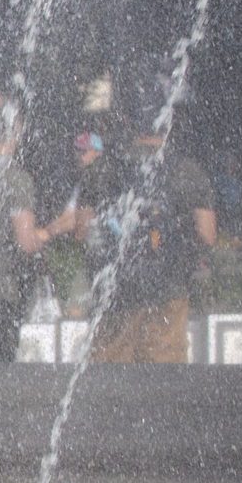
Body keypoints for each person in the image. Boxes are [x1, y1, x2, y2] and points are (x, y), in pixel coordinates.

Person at [95, 105, 217, 363]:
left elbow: (84, 227)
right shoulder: (187, 171)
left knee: (112, 368)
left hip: (119, 289)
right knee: (164, 370)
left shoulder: (109, 167)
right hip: (169, 288)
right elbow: (207, 234)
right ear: (169, 124)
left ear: (131, 123)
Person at [0, 95, 54, 358]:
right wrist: (51, 232)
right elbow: (25, 241)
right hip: (1, 293)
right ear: (15, 128)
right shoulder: (17, 180)